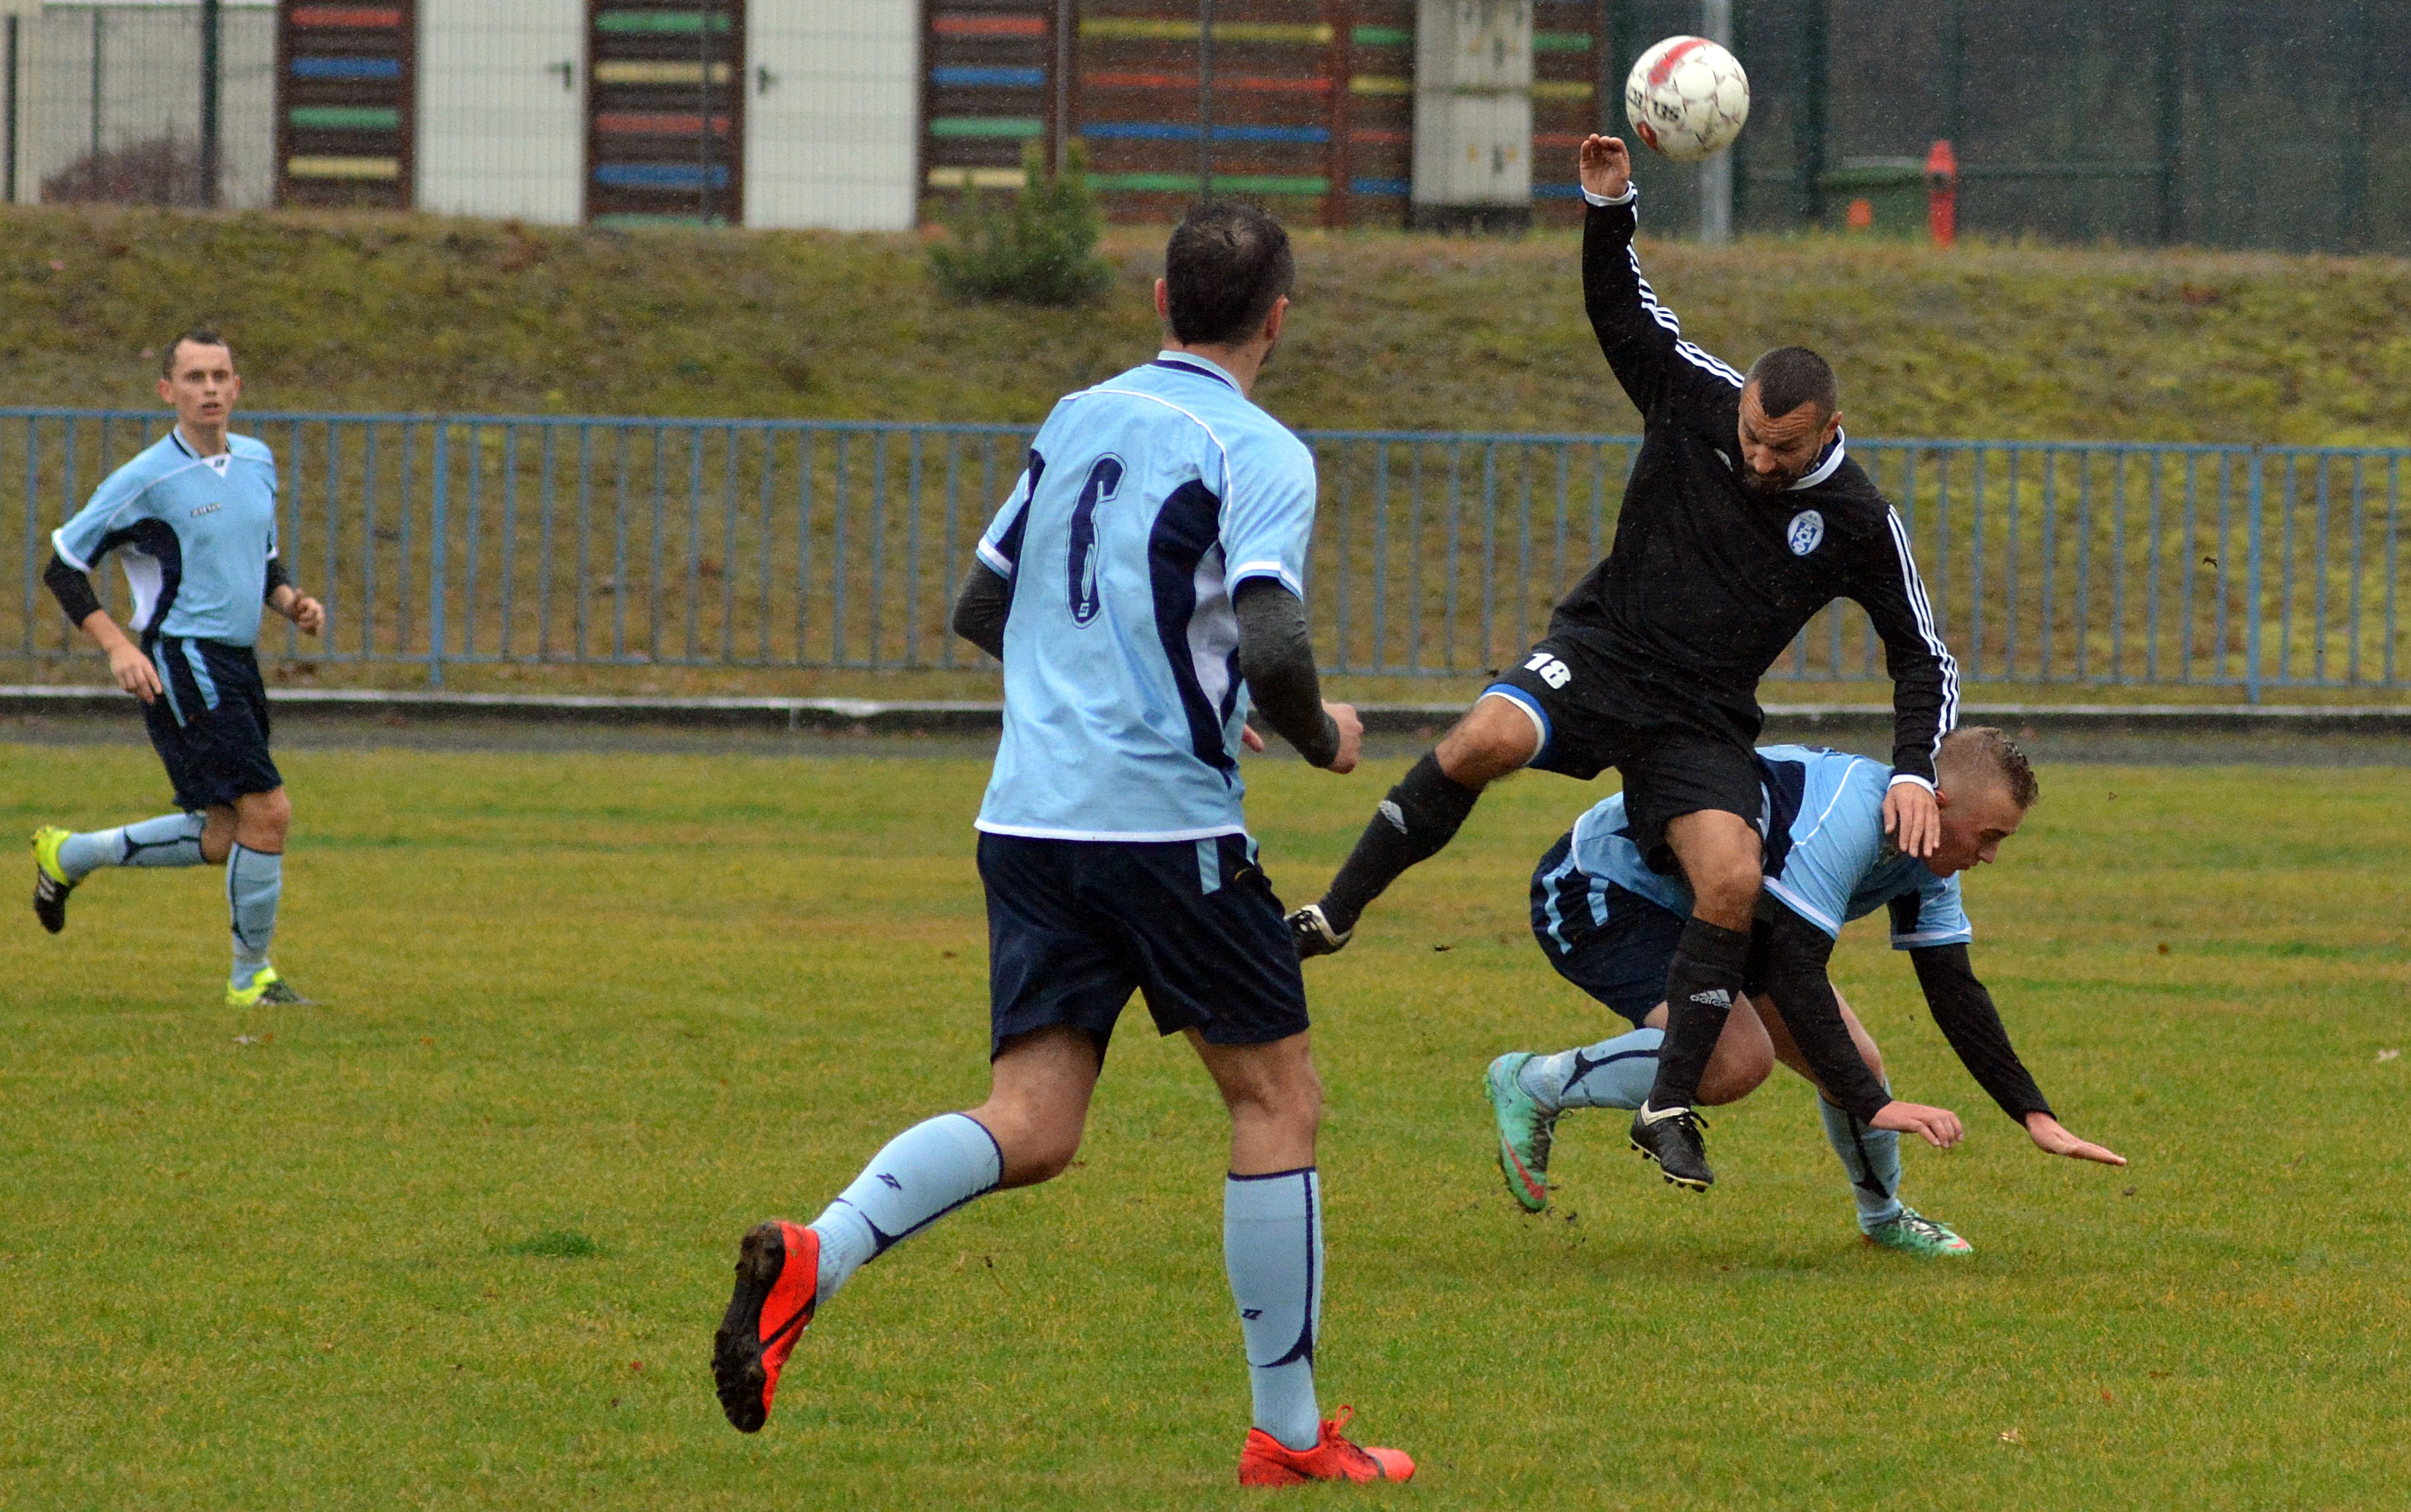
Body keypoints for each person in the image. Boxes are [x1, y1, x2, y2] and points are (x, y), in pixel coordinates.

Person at [709, 203, 1412, 1487]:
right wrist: (1315, 737)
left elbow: (984, 602)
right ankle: (1290, 1434)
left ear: (1157, 300)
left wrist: (1125, 681)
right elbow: (1271, 642)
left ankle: (820, 1252)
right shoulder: (1258, 448)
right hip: (1166, 825)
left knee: (1031, 1121)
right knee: (1277, 1098)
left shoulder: (1077, 410)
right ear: (1278, 317)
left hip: (1028, 816)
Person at [1286, 134, 1960, 1192]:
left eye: (1781, 448)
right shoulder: (1697, 395)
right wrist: (1608, 205)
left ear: (1830, 430)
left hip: (1699, 716)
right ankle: (1335, 913)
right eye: (1749, 435)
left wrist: (1916, 765)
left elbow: (1920, 652)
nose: (1756, 458)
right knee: (1484, 737)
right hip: (1602, 653)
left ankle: (1666, 1102)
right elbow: (1621, 313)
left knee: (1733, 876)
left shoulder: (1857, 518)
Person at [1484, 729, 2125, 1253]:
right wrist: (1874, 1105)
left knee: (1856, 1063)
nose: (1989, 857)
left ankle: (1885, 1220)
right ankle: (1532, 1083)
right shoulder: (1844, 822)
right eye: (1990, 837)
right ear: (1942, 804)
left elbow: (1953, 988)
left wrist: (2034, 1115)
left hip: (1727, 911)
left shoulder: (1924, 850)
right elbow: (1795, 970)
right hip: (1605, 886)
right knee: (1734, 1063)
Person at [30, 329, 325, 1008]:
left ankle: (67, 855)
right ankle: (252, 977)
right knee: (269, 812)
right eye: (194, 377)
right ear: (169, 392)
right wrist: (117, 646)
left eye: (220, 374)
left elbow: (262, 558)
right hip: (181, 658)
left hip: (235, 660)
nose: (210, 388)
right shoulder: (145, 479)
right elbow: (64, 566)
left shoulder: (256, 459)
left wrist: (290, 601)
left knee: (225, 833)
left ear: (238, 386)